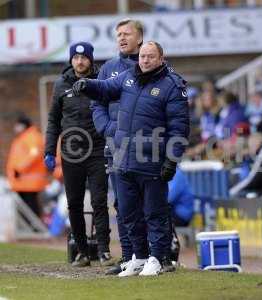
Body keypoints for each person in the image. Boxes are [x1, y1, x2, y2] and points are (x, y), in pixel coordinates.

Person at [72, 41, 190, 276]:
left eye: (150, 57)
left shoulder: (172, 86)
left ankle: (157, 258)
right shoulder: (127, 77)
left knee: (154, 213)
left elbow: (179, 128)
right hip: (123, 157)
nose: (145, 61)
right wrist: (87, 85)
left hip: (152, 160)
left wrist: (171, 160)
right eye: (143, 56)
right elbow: (105, 88)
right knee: (128, 212)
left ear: (161, 59)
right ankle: (139, 256)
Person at [44, 42, 112, 267]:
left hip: (97, 152)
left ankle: (103, 250)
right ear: (71, 60)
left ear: (90, 60)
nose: (80, 62)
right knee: (73, 203)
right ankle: (82, 251)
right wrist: (49, 151)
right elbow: (54, 120)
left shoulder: (101, 83)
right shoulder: (61, 84)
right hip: (71, 154)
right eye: (76, 58)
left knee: (99, 201)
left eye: (84, 58)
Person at [90, 18, 144, 276]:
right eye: (118, 34)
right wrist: (108, 129)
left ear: (140, 37)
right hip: (117, 145)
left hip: (148, 145)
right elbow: (97, 104)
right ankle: (128, 255)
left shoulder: (153, 65)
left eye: (127, 33)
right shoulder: (108, 68)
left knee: (152, 202)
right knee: (123, 203)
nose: (122, 38)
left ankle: (159, 255)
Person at [6, 114, 48, 219]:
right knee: (25, 208)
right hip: (22, 182)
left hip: (29, 182)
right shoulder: (24, 137)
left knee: (30, 207)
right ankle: (30, 229)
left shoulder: (32, 136)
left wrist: (19, 169)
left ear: (22, 125)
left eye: (17, 125)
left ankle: (35, 230)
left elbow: (34, 154)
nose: (15, 128)